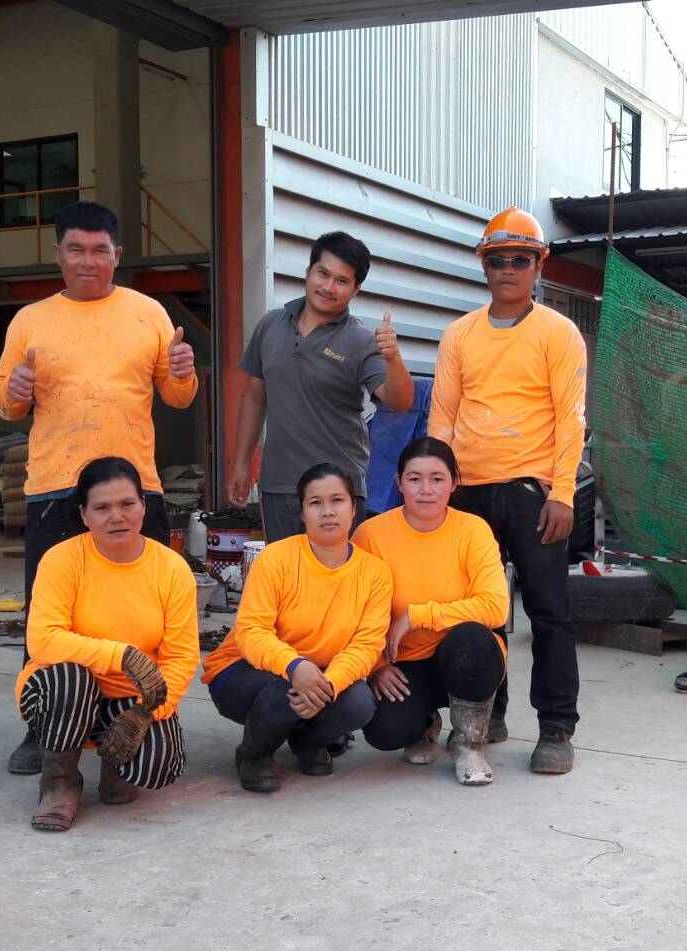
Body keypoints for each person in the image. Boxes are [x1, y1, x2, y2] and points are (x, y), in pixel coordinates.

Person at [0, 201, 197, 775]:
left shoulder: (148, 313)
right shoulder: (30, 320)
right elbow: (5, 403)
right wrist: (17, 389)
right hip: (55, 486)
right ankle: (45, 729)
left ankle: (145, 713)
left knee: (143, 605)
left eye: (99, 250)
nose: (88, 260)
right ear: (57, 253)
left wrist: (183, 371)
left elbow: (177, 396)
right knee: (49, 613)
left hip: (135, 486)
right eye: (76, 249)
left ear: (117, 254)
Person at [429, 206, 587, 776]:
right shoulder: (459, 335)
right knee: (479, 613)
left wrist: (563, 493)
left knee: (549, 615)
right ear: (484, 266)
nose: (509, 269)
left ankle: (556, 729)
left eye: (521, 259)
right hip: (468, 496)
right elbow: (443, 417)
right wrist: (436, 488)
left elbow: (570, 418)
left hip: (532, 495)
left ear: (539, 265)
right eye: (498, 259)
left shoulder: (558, 333)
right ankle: (486, 711)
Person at [16, 457, 199, 832]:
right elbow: (43, 640)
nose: (117, 517)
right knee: (69, 678)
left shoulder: (171, 568)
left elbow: (181, 657)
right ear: (84, 515)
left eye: (127, 504)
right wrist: (121, 655)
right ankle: (60, 782)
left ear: (143, 506)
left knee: (158, 765)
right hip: (61, 692)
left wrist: (149, 712)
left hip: (133, 698)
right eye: (102, 508)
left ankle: (116, 764)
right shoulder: (62, 561)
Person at [201, 463, 392, 793]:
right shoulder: (276, 559)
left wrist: (329, 684)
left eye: (337, 500)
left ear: (353, 508)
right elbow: (251, 632)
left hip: (320, 676)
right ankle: (254, 754)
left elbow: (367, 645)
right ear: (303, 513)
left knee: (359, 702)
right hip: (245, 673)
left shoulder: (375, 573)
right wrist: (295, 667)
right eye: (315, 502)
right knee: (284, 689)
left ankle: (307, 741)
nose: (327, 511)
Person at [226, 231, 415, 541]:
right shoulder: (271, 325)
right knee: (285, 572)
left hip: (337, 492)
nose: (328, 287)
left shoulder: (361, 341)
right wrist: (241, 463)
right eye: (323, 273)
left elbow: (400, 401)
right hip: (279, 487)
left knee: (338, 573)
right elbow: (255, 398)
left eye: (341, 281)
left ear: (356, 289)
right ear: (308, 271)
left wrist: (393, 358)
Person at [354, 437, 508, 785]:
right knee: (384, 731)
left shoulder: (472, 530)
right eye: (415, 479)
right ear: (399, 483)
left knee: (475, 639)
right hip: (405, 660)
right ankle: (425, 725)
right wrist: (376, 666)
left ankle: (469, 744)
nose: (426, 490)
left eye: (437, 479)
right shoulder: (371, 535)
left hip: (464, 655)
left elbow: (496, 607)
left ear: (454, 483)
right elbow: (354, 612)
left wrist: (416, 615)